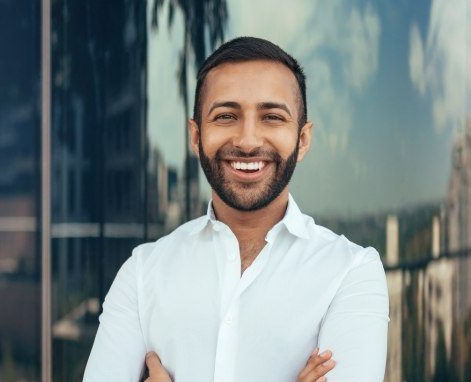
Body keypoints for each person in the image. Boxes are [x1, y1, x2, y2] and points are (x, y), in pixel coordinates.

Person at [83, 36, 389, 382]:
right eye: (226, 116)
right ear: (196, 137)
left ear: (302, 140)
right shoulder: (142, 274)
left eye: (272, 117)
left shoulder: (350, 272)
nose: (247, 141)